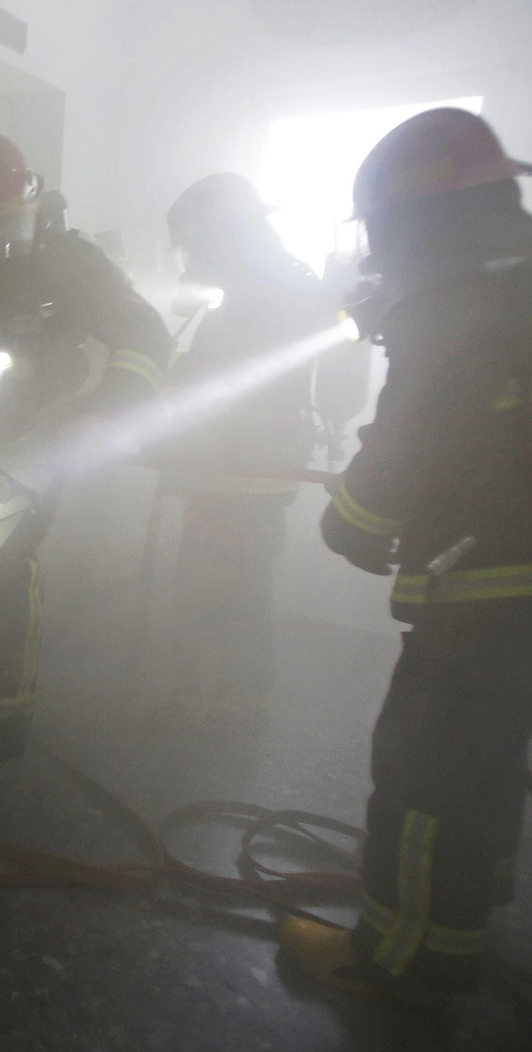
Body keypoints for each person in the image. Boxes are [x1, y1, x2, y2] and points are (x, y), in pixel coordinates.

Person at [278, 108, 532, 1000]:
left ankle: (404, 961)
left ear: (412, 216)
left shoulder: (457, 295)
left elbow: (411, 437)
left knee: (421, 768)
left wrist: (351, 524)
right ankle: (469, 903)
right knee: (486, 752)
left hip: (492, 574)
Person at [0, 128, 173, 760]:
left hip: (49, 434)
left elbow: (147, 336)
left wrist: (107, 411)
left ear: (23, 213)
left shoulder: (70, 264)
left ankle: (8, 713)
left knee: (7, 563)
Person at [159, 173, 332, 725]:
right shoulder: (269, 285)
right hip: (241, 462)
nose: (190, 258)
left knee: (217, 584)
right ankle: (227, 695)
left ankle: (210, 703)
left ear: (220, 236)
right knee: (237, 582)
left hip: (240, 465)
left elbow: (223, 379)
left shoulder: (263, 295)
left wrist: (171, 387)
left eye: (194, 245)